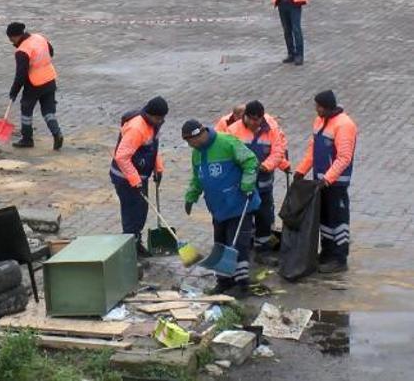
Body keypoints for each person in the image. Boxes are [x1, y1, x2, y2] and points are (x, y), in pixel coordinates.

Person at [183, 120, 260, 297]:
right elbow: (197, 178)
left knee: (237, 245)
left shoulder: (227, 143)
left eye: (190, 141)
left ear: (199, 135)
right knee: (221, 244)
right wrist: (191, 196)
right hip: (218, 208)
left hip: (239, 204)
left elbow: (251, 161)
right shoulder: (197, 154)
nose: (189, 145)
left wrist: (247, 184)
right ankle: (224, 281)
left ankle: (242, 284)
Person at [294, 90, 357, 273]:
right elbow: (313, 150)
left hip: (336, 182)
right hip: (321, 181)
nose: (316, 109)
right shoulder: (320, 122)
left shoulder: (345, 125)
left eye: (318, 106)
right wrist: (301, 170)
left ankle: (340, 258)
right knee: (325, 219)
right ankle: (327, 253)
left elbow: (344, 158)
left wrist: (328, 179)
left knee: (338, 220)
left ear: (327, 107)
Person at [226, 101, 288, 260]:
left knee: (264, 216)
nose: (254, 123)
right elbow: (228, 155)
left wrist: (266, 166)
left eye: (258, 119)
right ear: (245, 116)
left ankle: (263, 250)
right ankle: (242, 249)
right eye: (251, 119)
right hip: (241, 186)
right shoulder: (233, 130)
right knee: (243, 217)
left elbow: (278, 151)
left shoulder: (272, 130)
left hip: (264, 184)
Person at [110, 97, 169, 257]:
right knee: (132, 213)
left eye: (163, 118)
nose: (161, 121)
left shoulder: (153, 124)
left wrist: (158, 167)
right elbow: (121, 157)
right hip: (125, 177)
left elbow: (153, 147)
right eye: (159, 118)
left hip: (139, 176)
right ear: (150, 114)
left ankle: (136, 241)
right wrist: (135, 180)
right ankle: (130, 248)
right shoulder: (137, 128)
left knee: (141, 210)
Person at [5, 22, 63, 150]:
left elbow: (21, 75)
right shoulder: (39, 38)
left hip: (34, 84)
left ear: (15, 36)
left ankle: (27, 139)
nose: (11, 42)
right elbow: (51, 52)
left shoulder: (22, 51)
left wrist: (14, 92)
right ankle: (57, 133)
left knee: (26, 109)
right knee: (48, 111)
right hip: (49, 79)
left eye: (10, 39)